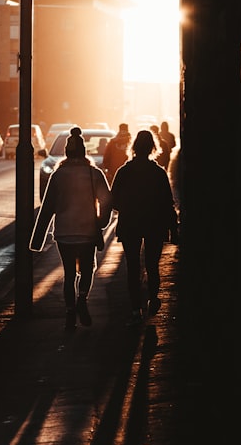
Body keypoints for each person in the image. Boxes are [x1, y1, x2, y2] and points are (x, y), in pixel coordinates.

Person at [30, 127, 112, 330]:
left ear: (67, 152)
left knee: (68, 274)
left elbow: (47, 207)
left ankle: (69, 312)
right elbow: (107, 200)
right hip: (87, 232)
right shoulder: (94, 174)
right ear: (84, 152)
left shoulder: (58, 175)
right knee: (87, 270)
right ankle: (82, 298)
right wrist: (101, 221)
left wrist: (37, 239)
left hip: (64, 233)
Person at [110, 129, 180, 325]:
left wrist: (127, 207)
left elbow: (113, 200)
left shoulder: (124, 171)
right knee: (152, 265)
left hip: (130, 223)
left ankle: (134, 309)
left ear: (134, 147)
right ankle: (152, 298)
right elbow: (168, 203)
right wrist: (173, 229)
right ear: (152, 147)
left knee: (132, 266)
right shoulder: (158, 173)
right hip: (154, 224)